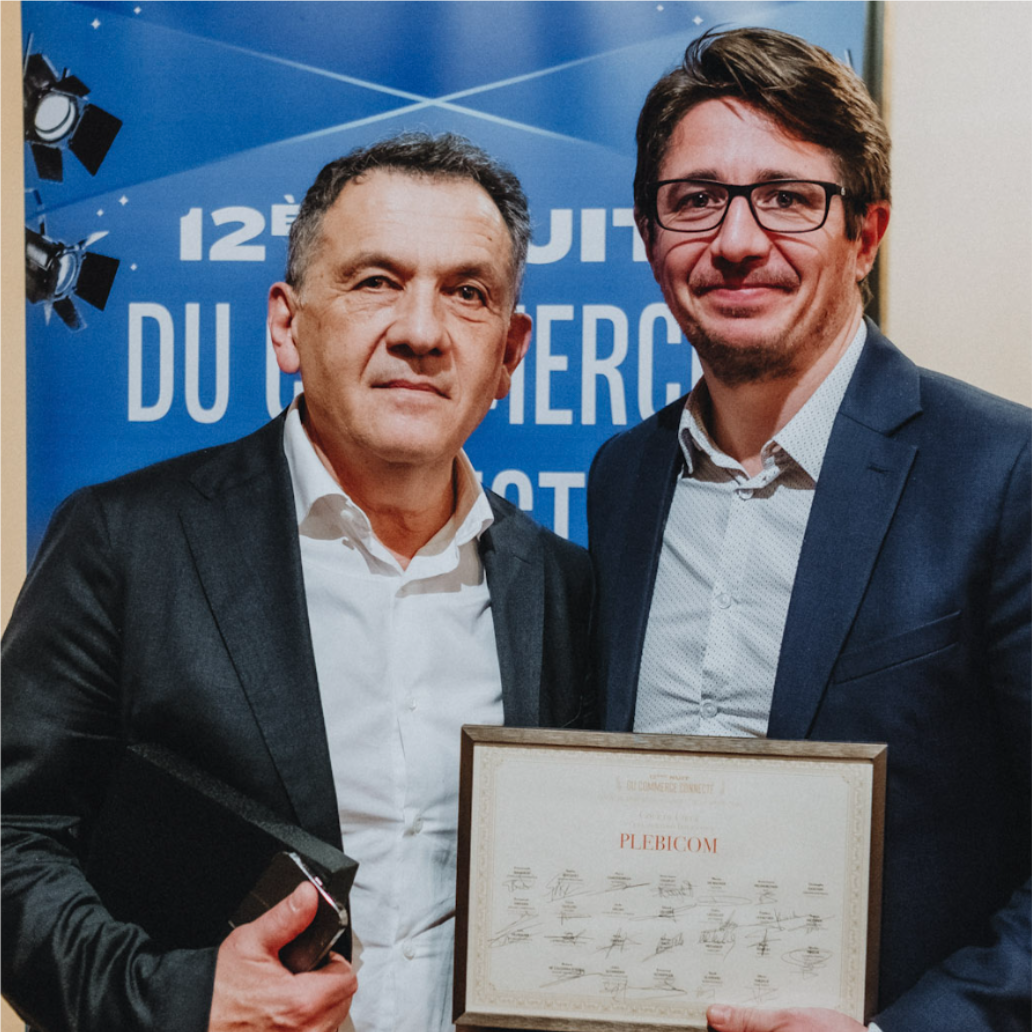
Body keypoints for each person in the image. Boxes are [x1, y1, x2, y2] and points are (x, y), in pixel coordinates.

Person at [0, 132, 593, 1032]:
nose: (422, 332)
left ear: (510, 354)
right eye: (375, 281)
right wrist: (181, 1002)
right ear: (287, 325)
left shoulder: (560, 587)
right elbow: (14, 838)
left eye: (467, 293)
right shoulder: (126, 543)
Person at [588, 27, 1032, 1032]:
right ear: (651, 238)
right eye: (695, 200)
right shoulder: (622, 479)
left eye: (788, 198)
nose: (737, 241)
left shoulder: (1000, 474)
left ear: (866, 234)